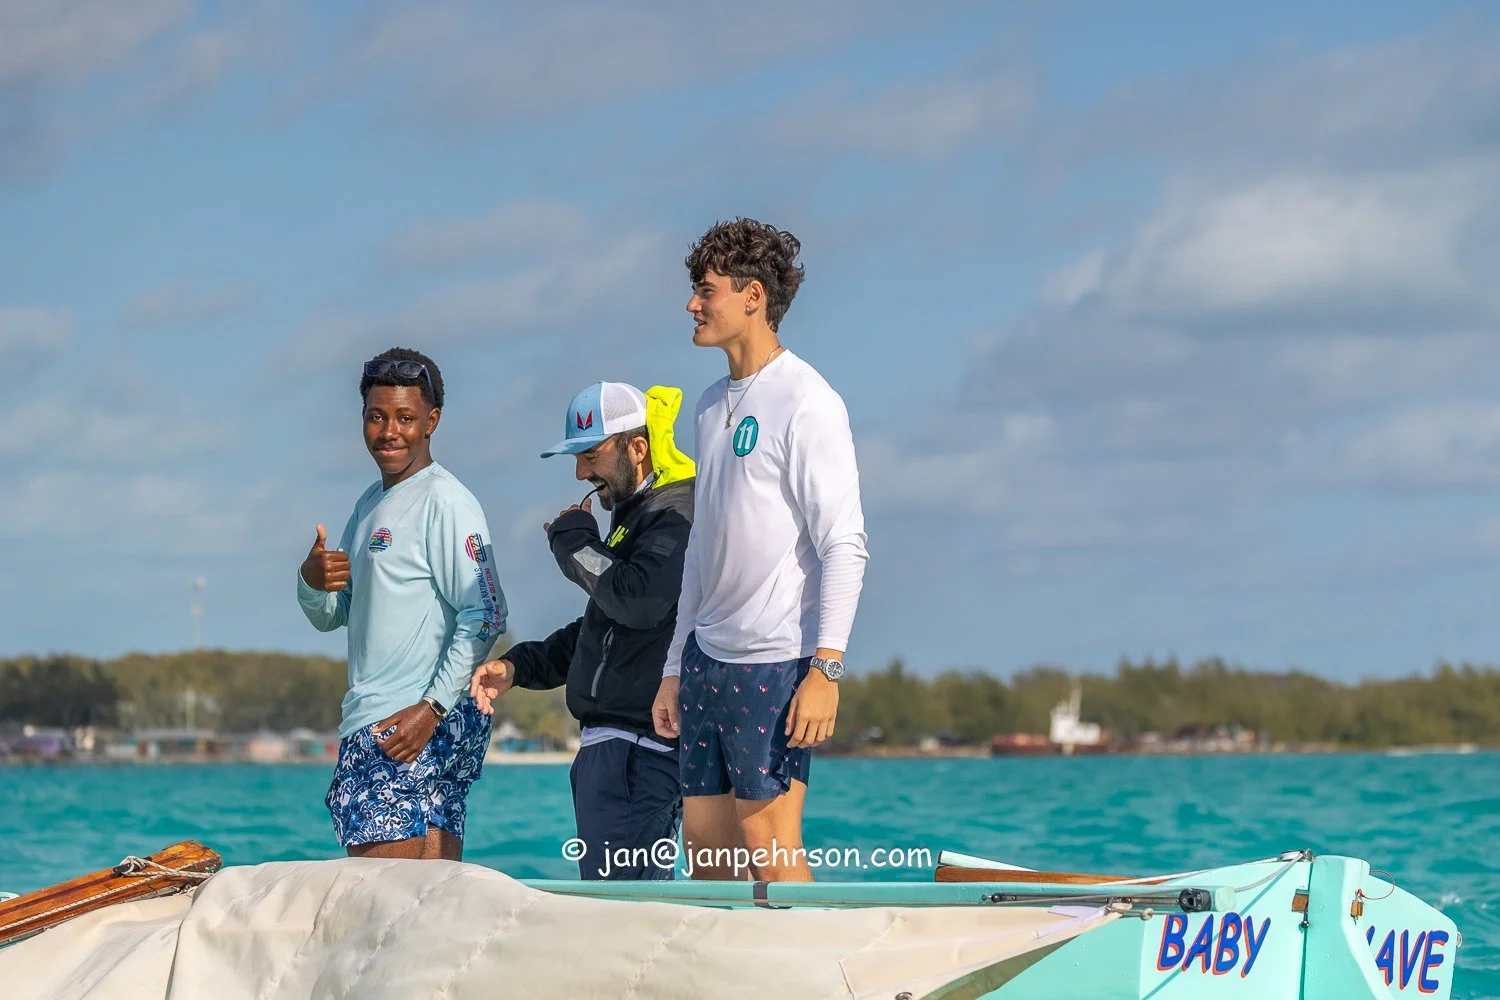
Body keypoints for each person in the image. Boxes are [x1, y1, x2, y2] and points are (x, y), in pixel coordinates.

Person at [651, 218, 868, 881]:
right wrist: (672, 665)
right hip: (704, 660)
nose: (692, 304)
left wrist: (825, 671)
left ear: (753, 297)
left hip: (773, 664)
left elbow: (845, 544)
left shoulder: (808, 401)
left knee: (770, 849)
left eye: (705, 289)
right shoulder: (711, 405)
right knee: (707, 852)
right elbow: (701, 551)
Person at [470, 382, 695, 880]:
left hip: (640, 752)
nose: (580, 473)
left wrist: (573, 542)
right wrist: (519, 665)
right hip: (616, 752)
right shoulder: (635, 518)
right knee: (615, 907)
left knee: (626, 912)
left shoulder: (675, 514)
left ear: (638, 448)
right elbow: (603, 628)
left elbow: (637, 601)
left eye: (591, 454)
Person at [297, 347, 506, 860]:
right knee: (423, 914)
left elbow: (488, 614)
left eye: (406, 418)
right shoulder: (369, 502)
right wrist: (309, 579)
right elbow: (335, 614)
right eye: (376, 417)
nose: (389, 431)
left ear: (431, 421)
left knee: (384, 910)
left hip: (410, 721)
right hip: (394, 718)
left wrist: (430, 709)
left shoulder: (446, 501)